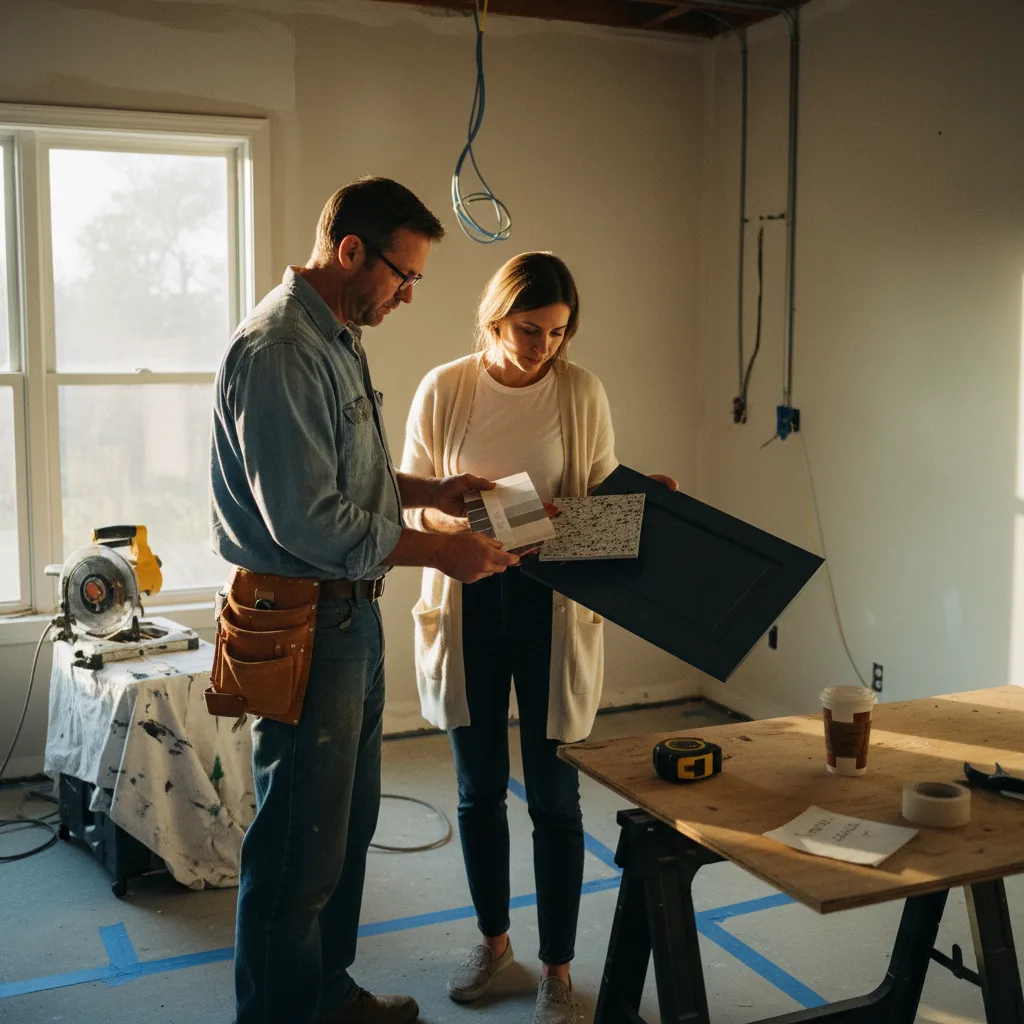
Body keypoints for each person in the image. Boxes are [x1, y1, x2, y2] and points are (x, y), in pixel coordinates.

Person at [210, 176, 518, 1024]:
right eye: (403, 274)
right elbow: (308, 519)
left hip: (350, 614)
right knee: (297, 852)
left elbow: (351, 475)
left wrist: (436, 491)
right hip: (306, 615)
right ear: (351, 250)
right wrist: (439, 551)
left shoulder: (337, 332)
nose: (409, 294)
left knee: (342, 831)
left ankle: (326, 994)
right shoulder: (279, 350)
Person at [400, 252, 677, 1024]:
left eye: (557, 333)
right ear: (496, 318)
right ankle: (493, 945)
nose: (543, 347)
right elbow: (413, 503)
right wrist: (475, 520)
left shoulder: (580, 390)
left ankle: (557, 970)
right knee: (478, 791)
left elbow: (598, 486)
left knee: (555, 798)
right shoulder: (444, 388)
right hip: (468, 601)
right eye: (529, 330)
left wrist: (641, 496)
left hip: (551, 604)